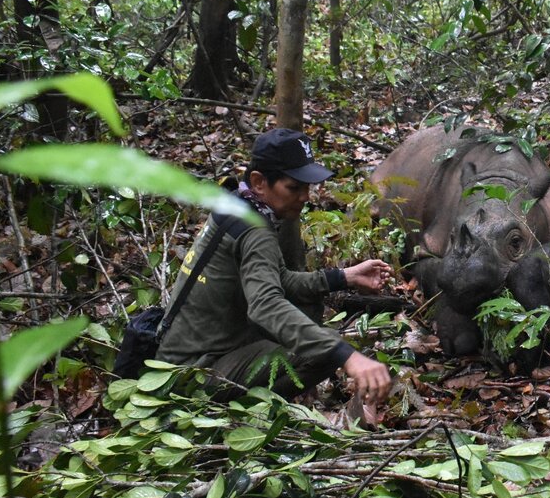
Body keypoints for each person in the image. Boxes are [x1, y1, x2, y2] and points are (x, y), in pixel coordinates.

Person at [157, 127, 393, 408]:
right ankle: (250, 410)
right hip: (192, 376)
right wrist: (347, 356)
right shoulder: (255, 232)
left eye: (307, 187)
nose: (305, 197)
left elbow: (276, 280)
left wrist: (343, 277)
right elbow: (266, 304)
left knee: (308, 315)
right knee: (324, 351)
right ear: (259, 182)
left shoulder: (237, 206)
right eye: (294, 187)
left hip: (174, 360)